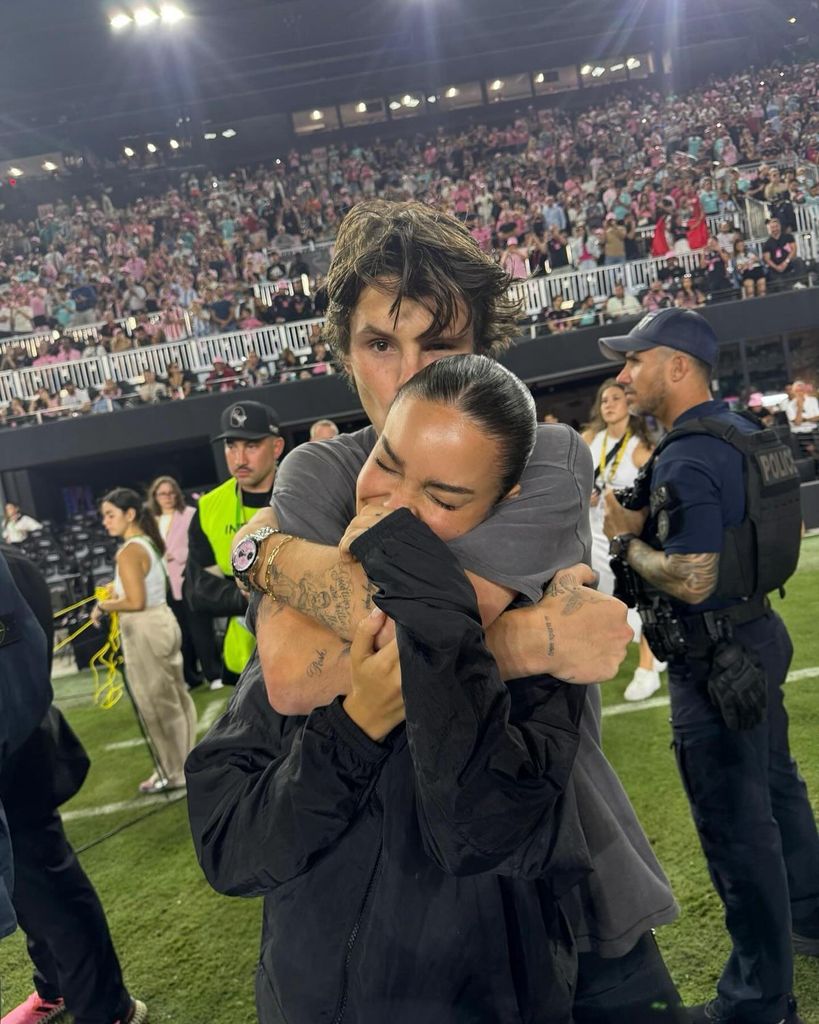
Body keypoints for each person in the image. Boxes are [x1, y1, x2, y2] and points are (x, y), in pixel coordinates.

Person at [189, 201, 684, 1024]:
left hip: (561, 864)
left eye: (440, 344)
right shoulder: (316, 471)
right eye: (380, 344)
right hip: (377, 883)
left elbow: (382, 641)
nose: (409, 372)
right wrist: (535, 637)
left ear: (483, 351)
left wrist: (275, 559)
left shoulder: (546, 453)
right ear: (346, 355)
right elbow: (290, 676)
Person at [190, 355, 594, 1023]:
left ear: (505, 504)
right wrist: (351, 729)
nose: (393, 505)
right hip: (317, 998)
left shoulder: (548, 618)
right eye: (386, 461)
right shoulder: (302, 636)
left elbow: (476, 831)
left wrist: (407, 590)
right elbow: (231, 846)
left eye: (442, 498)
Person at [600, 307, 819, 1024]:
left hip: (715, 657)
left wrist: (625, 543)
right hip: (756, 631)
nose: (623, 374)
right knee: (778, 790)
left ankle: (758, 1002)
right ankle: (810, 921)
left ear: (677, 366)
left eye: (635, 360)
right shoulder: (742, 430)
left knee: (736, 827)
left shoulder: (691, 452)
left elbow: (692, 577)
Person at [0, 545, 148, 1024]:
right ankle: (57, 985)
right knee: (22, 885)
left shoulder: (11, 569)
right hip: (15, 746)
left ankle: (108, 1009)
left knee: (44, 880)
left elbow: (19, 692)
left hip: (13, 755)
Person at [92, 488, 196, 794]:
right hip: (159, 622)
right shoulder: (145, 544)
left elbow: (135, 601)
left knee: (157, 705)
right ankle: (179, 767)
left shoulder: (129, 550)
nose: (105, 522)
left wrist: (104, 606)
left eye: (110, 515)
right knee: (173, 700)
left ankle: (176, 771)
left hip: (145, 628)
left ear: (130, 514)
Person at [183, 400, 285, 686]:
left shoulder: (304, 495)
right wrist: (249, 597)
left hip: (307, 654)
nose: (239, 458)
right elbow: (197, 590)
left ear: (276, 447)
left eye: (251, 446)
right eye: (231, 445)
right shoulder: (207, 507)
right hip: (242, 661)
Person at [581, 380, 662, 701]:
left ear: (629, 404)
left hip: (630, 537)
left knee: (644, 601)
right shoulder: (590, 440)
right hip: (595, 537)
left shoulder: (640, 447)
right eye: (604, 400)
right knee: (612, 603)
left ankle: (648, 669)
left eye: (616, 398)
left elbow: (659, 490)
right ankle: (655, 653)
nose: (609, 405)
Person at [147, 476, 221, 690]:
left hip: (190, 582)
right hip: (165, 586)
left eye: (171, 493)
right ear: (155, 497)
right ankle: (190, 677)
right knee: (178, 634)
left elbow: (199, 544)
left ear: (177, 494)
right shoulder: (152, 520)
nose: (168, 497)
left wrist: (175, 554)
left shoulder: (189, 514)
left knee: (201, 630)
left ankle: (214, 674)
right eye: (162, 494)